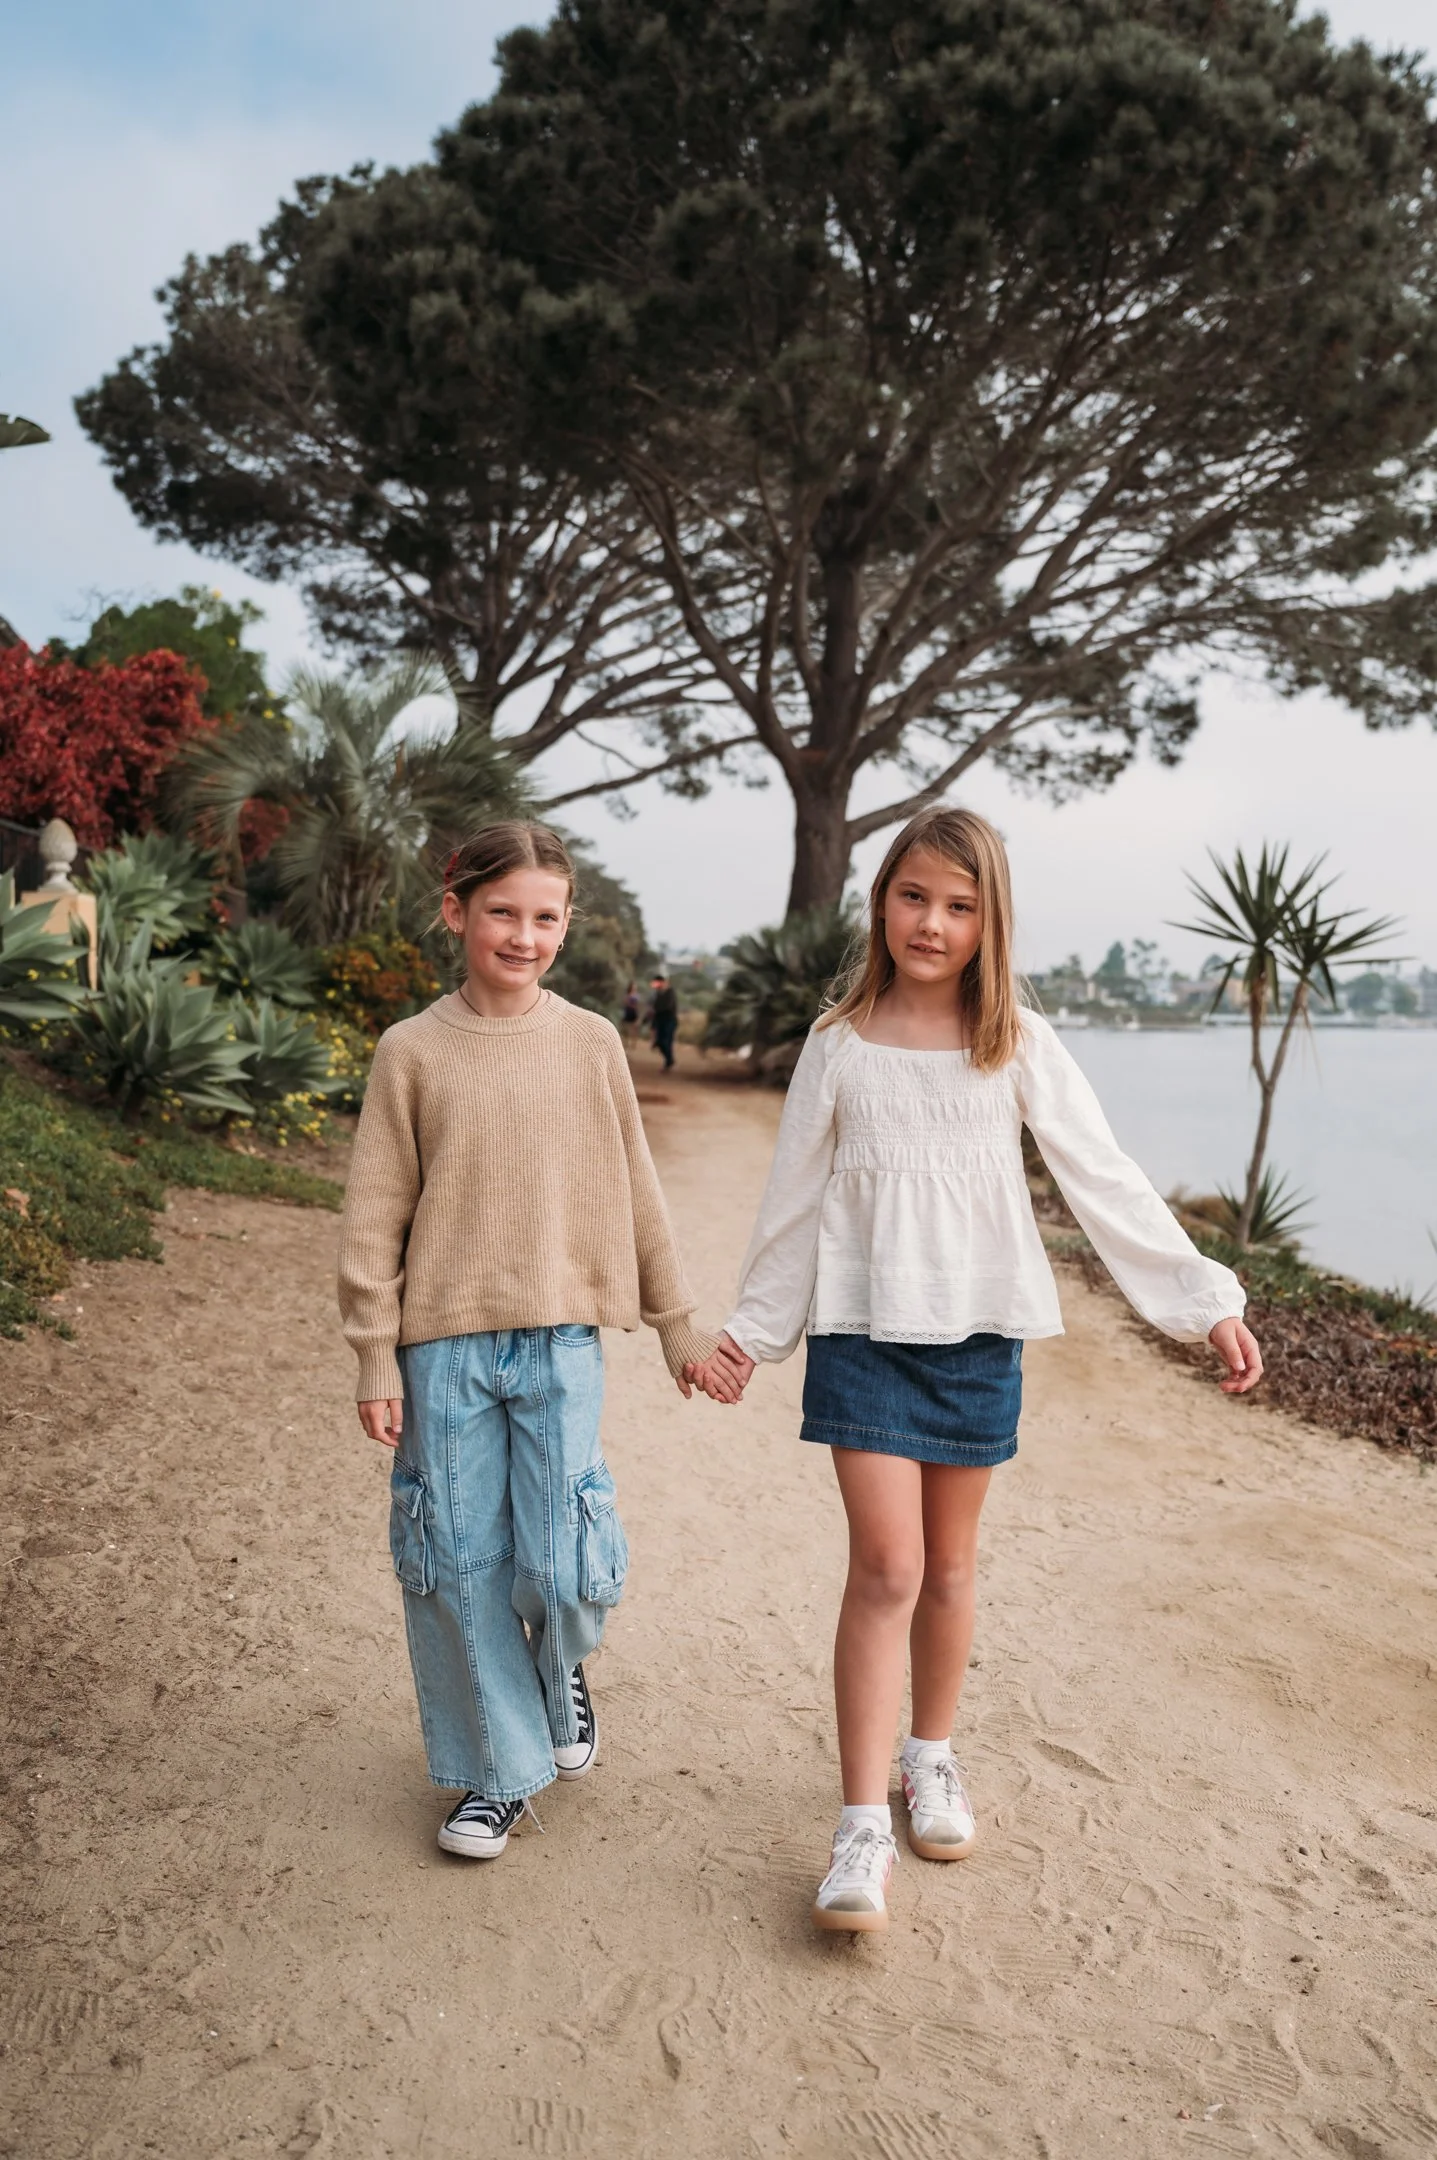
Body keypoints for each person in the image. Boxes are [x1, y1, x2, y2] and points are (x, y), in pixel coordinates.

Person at [684, 806, 1261, 1934]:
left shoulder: (1016, 1044)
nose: (932, 923)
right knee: (886, 1569)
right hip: (862, 1336)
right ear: (880, 902)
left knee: (950, 1568)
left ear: (991, 920)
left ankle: (928, 1760)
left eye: (959, 905)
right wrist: (751, 1336)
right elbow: (793, 1202)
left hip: (978, 1335)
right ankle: (858, 1831)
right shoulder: (839, 1044)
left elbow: (1105, 1180)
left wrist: (1204, 1305)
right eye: (914, 897)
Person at [338, 822, 717, 1861]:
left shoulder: (592, 1040)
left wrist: (679, 1323)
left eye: (544, 917)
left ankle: (561, 1669)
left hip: (560, 1344)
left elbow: (636, 1186)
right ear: (456, 912)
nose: (524, 935)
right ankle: (498, 1776)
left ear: (565, 925)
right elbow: (375, 1215)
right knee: (461, 1562)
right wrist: (376, 1349)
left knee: (559, 1565)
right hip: (444, 1348)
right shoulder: (410, 1051)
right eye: (502, 912)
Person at [649, 973, 679, 1070]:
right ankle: (669, 1060)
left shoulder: (670, 992)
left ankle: (669, 1061)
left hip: (669, 1020)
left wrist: (657, 1010)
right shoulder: (658, 994)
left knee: (666, 1042)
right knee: (660, 1042)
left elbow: (667, 1007)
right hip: (660, 1021)